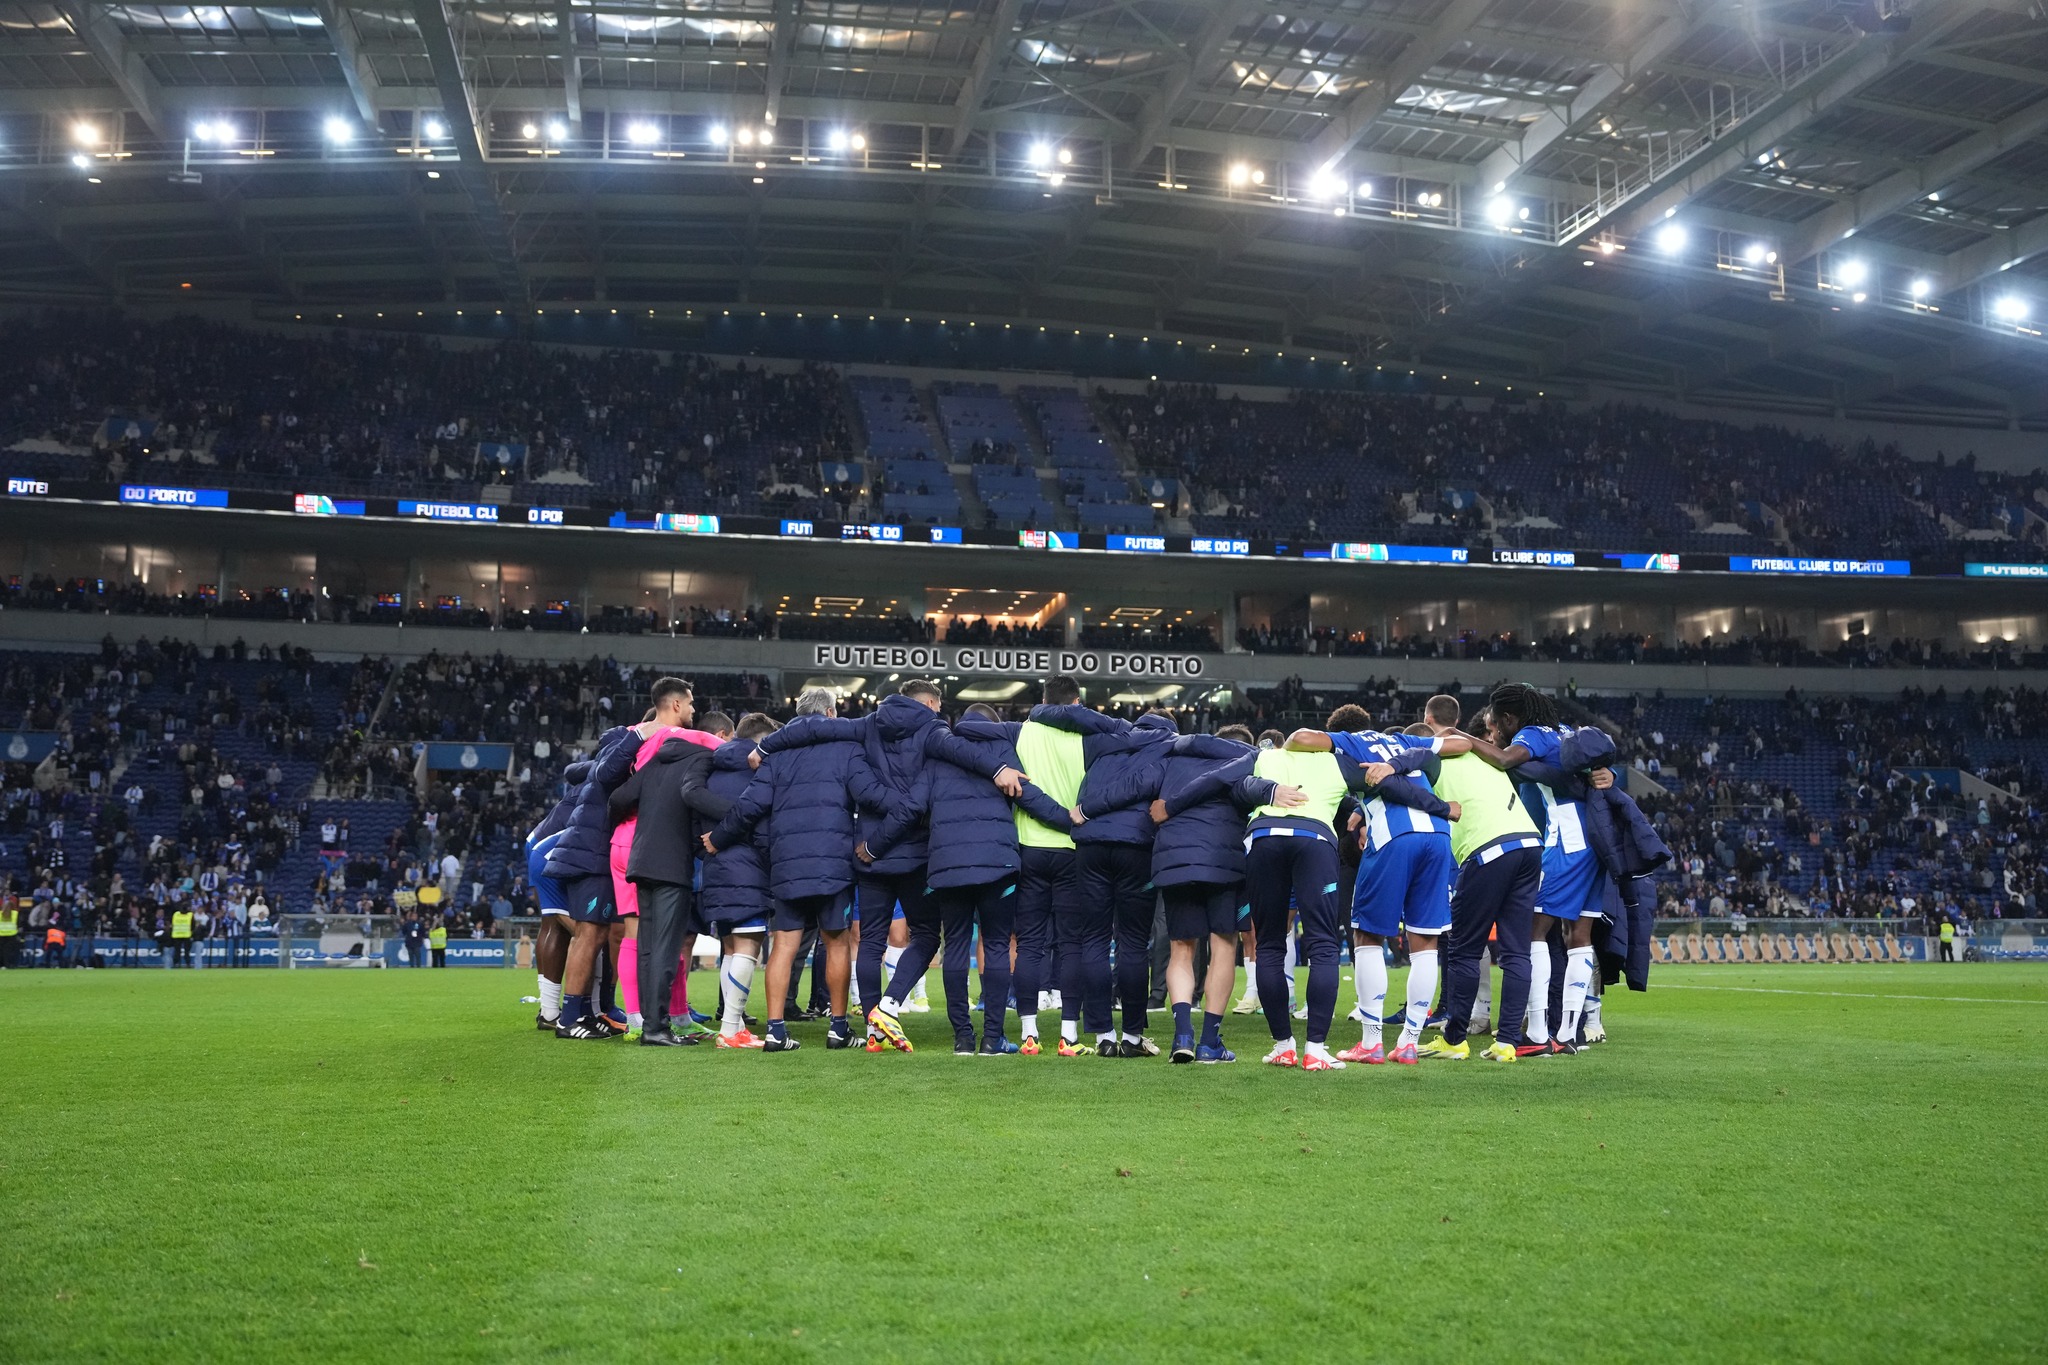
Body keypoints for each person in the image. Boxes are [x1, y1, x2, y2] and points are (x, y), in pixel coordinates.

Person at [702, 686, 898, 1053]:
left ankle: (776, 1031)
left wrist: (719, 837)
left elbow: (750, 805)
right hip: (833, 862)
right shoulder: (846, 749)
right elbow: (871, 794)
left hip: (787, 862)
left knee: (785, 944)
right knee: (836, 942)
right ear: (830, 714)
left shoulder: (776, 753)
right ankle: (838, 1029)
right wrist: (910, 808)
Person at [873, 701, 1074, 1054]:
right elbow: (1029, 797)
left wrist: (872, 845)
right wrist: (1070, 821)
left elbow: (910, 808)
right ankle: (992, 1038)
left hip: (948, 865)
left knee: (955, 947)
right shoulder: (1002, 751)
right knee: (996, 945)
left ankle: (963, 1038)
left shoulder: (939, 756)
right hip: (997, 863)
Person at [1287, 706, 1464, 1065]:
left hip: (1393, 836)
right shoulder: (1406, 740)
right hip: (1438, 836)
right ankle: (1409, 1042)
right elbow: (1460, 743)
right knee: (1425, 941)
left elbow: (1300, 738)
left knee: (1367, 936)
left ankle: (1371, 1042)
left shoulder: (1349, 741)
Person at [1143, 725, 1300, 1063]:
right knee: (1223, 946)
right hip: (1223, 863)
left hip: (1176, 860)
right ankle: (1208, 1042)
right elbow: (1251, 790)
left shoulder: (1173, 762)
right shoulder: (1245, 765)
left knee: (1181, 949)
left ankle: (1182, 1035)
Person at [1465, 683, 1599, 1056]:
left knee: (1532, 932)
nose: (1495, 733)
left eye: (1495, 725)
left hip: (1566, 838)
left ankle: (1538, 1035)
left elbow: (1504, 759)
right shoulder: (1563, 732)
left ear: (1510, 719)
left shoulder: (1533, 733)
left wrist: (1462, 738)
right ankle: (1567, 1035)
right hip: (1594, 836)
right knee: (1579, 935)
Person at [1241, 731, 1382, 1071]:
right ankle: (1315, 1049)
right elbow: (1383, 784)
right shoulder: (1336, 761)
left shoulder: (1264, 756)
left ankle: (1283, 1046)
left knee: (1269, 943)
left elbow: (1234, 786)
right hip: (1314, 839)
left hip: (1264, 837)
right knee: (1322, 944)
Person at [1418, 695, 1541, 1064]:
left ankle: (1455, 1039)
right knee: (1516, 950)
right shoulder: (1484, 754)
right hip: (1529, 843)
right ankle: (1507, 1042)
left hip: (1487, 848)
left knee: (1464, 949)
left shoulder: (1430, 760)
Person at [608, 686, 730, 1047]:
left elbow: (618, 797)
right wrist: (736, 815)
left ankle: (652, 1025)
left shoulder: (654, 762)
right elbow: (696, 795)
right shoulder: (699, 758)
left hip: (640, 860)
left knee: (647, 947)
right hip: (671, 865)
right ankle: (657, 1029)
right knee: (665, 947)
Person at [544, 716, 660, 1040]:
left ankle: (584, 1011)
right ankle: (568, 1019)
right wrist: (639, 734)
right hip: (590, 857)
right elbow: (605, 770)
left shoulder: (610, 766)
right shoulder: (614, 759)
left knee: (598, 935)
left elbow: (576, 771)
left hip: (594, 856)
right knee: (588, 935)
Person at [699, 713, 781, 1049]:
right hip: (748, 868)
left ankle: (733, 1026)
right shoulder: (758, 771)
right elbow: (760, 825)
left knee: (731, 948)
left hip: (715, 867)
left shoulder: (712, 770)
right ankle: (731, 1029)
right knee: (748, 946)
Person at [0, 896, 18, 969]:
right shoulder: (15, 913)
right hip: (11, 934)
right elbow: (19, 923)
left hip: (1, 934)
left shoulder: (0, 914)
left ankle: (2, 965)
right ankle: (9, 964)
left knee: (1, 951)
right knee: (9, 951)